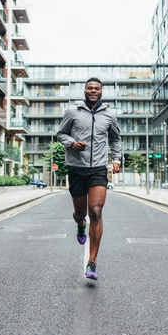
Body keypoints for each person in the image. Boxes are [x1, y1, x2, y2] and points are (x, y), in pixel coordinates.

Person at [57, 77, 121, 280]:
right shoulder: (72, 112)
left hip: (98, 169)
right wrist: (72, 143)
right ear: (84, 91)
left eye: (97, 88)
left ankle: (92, 262)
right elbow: (60, 134)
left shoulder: (110, 115)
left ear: (101, 92)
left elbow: (115, 138)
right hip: (76, 168)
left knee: (95, 211)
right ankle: (80, 224)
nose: (93, 91)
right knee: (80, 213)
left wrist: (117, 159)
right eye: (90, 88)